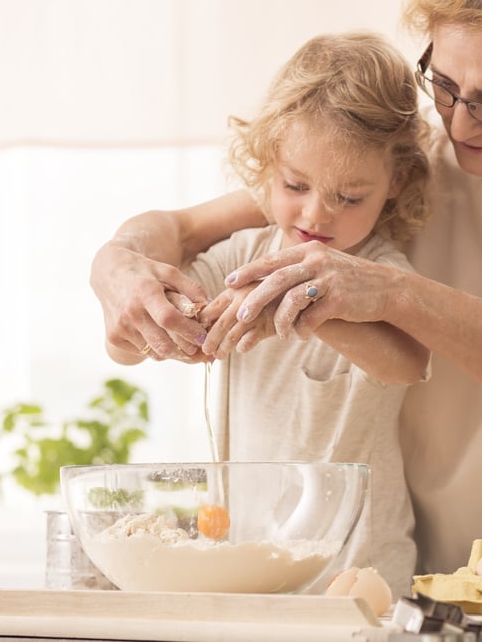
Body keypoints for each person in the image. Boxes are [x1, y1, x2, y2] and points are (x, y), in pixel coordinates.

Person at [91, 0, 482, 575]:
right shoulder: (394, 163)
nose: (460, 127)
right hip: (428, 561)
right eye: (446, 85)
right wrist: (116, 264)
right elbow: (184, 227)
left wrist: (393, 293)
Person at [114, 31, 432, 596]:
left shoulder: (383, 272)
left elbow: (407, 361)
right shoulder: (243, 255)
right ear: (265, 166)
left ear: (396, 182)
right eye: (294, 185)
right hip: (252, 570)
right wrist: (169, 318)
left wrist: (304, 307)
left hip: (362, 574)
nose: (316, 213)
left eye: (350, 196)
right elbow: (122, 347)